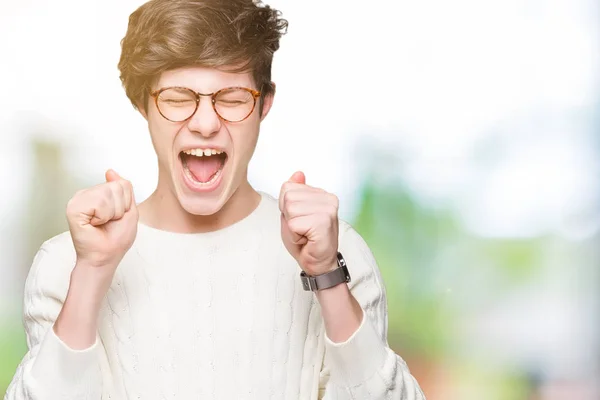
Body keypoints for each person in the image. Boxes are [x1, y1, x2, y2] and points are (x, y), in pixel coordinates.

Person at [5, 0, 425, 399]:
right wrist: (93, 273)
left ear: (265, 106)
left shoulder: (337, 253)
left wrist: (326, 276)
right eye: (176, 99)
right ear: (141, 104)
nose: (205, 123)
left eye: (232, 99)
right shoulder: (66, 265)